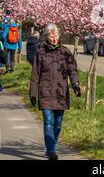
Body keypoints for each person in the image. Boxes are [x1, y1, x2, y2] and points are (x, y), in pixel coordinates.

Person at [29, 24, 81, 160]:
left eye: (56, 36)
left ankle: (52, 144)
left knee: (58, 123)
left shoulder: (65, 52)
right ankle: (51, 150)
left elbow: (72, 70)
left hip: (61, 93)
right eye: (51, 36)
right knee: (48, 121)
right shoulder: (40, 53)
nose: (54, 39)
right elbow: (35, 74)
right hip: (45, 92)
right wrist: (32, 92)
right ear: (46, 37)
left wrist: (75, 84)